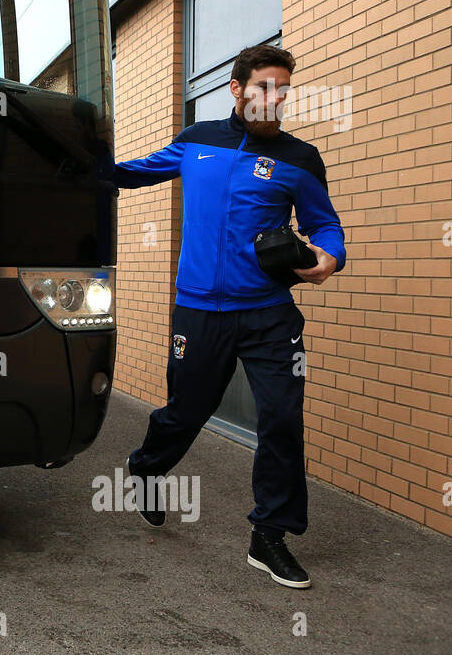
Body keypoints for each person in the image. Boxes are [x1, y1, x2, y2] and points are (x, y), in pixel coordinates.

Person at [111, 44, 347, 590]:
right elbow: (131, 174)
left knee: (282, 420)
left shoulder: (300, 159)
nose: (275, 99)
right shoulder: (196, 142)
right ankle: (147, 467)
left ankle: (270, 535)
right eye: (264, 87)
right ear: (237, 89)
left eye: (283, 90)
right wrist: (79, 163)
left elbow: (325, 223)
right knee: (185, 413)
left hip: (269, 315)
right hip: (198, 312)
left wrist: (329, 256)